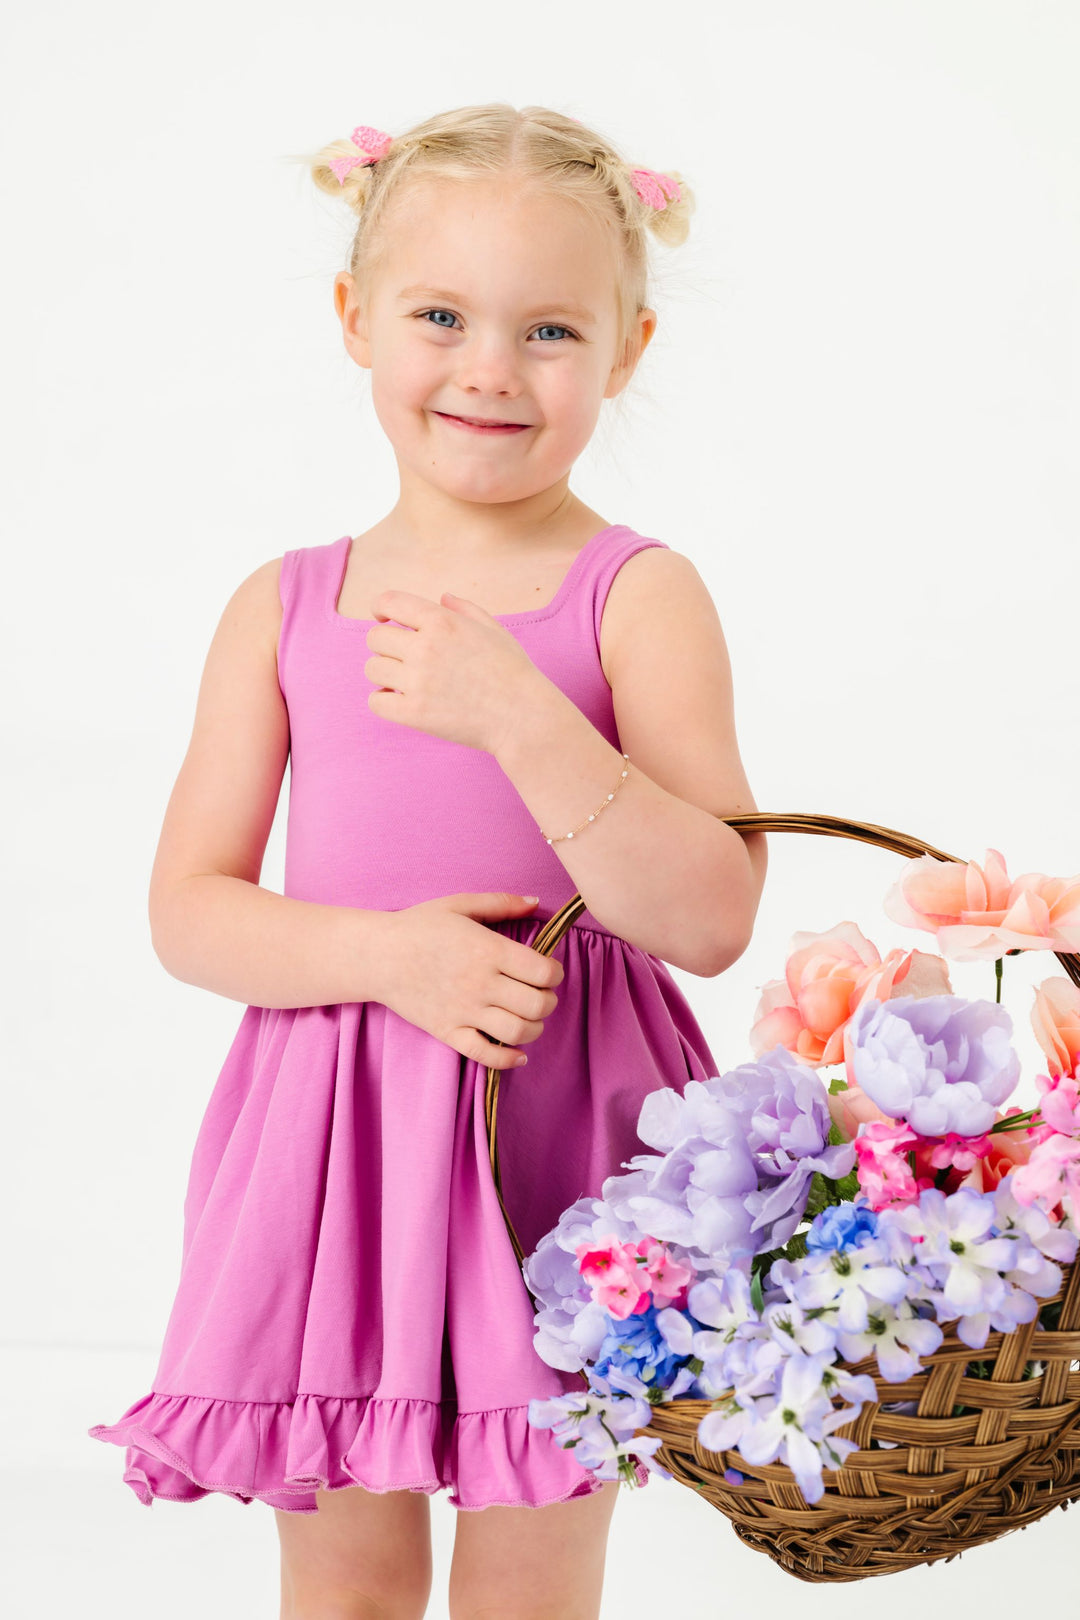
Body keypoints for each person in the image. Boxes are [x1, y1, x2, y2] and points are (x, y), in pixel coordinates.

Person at [88, 101, 769, 1620]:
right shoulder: (286, 604)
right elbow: (188, 910)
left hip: (562, 1130)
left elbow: (713, 915)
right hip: (341, 1137)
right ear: (355, 320)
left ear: (628, 349)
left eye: (548, 332)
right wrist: (392, 956)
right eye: (442, 316)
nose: (487, 370)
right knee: (340, 1575)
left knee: (534, 1568)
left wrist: (524, 720)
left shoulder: (636, 596)